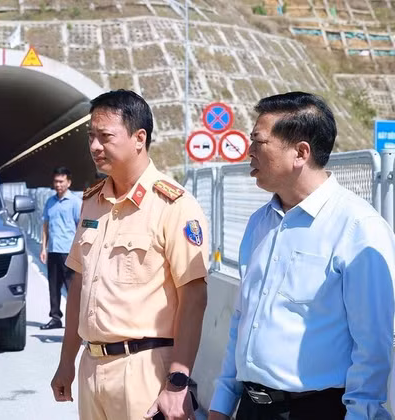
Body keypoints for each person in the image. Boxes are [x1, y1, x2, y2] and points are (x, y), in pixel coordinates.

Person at [208, 92, 395, 420]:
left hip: (316, 409)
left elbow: (373, 346)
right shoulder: (260, 223)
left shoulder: (357, 228)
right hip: (253, 408)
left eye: (258, 141)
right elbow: (242, 319)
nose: (249, 151)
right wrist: (223, 402)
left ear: (300, 152)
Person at [50, 89, 209, 420]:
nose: (95, 146)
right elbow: (79, 284)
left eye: (105, 137)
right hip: (93, 366)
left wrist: (178, 382)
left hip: (144, 370)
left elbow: (193, 296)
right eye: (91, 136)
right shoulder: (92, 201)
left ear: (139, 138)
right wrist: (67, 362)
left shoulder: (173, 205)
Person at [39, 166, 82, 330]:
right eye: (56, 181)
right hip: (53, 250)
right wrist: (43, 248)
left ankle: (76, 320)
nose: (58, 185)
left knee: (71, 288)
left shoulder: (76, 203)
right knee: (53, 286)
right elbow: (45, 226)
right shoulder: (50, 202)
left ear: (69, 182)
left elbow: (80, 228)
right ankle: (55, 317)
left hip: (68, 251)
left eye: (61, 181)